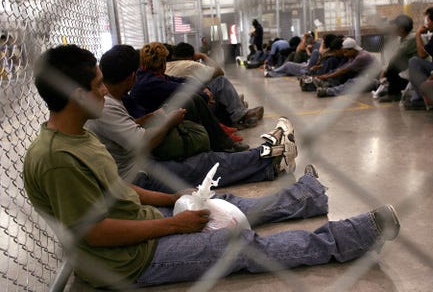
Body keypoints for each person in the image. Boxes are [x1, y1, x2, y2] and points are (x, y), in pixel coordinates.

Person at [24, 44, 400, 289]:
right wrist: (175, 223)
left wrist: (174, 198)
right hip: (126, 260)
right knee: (240, 246)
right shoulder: (57, 159)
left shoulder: (81, 135)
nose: (105, 91)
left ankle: (305, 196)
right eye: (97, 85)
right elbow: (96, 233)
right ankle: (354, 235)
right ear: (76, 96)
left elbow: (118, 189)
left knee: (222, 202)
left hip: (140, 221)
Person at [86, 44, 297, 192]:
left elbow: (127, 127)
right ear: (132, 75)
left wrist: (153, 116)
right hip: (139, 176)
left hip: (139, 163)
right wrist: (170, 120)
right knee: (205, 164)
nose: (101, 89)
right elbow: (143, 142)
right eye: (98, 83)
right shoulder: (107, 105)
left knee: (202, 159)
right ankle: (271, 160)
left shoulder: (113, 99)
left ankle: (260, 156)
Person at [128, 42, 248, 152]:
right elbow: (181, 87)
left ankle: (223, 141)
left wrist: (202, 89)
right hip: (155, 125)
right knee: (195, 96)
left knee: (194, 97)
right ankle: (226, 137)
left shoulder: (148, 74)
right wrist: (205, 94)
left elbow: (179, 80)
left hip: (157, 117)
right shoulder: (150, 81)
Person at [166, 42, 264, 129]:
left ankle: (239, 105)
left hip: (174, 108)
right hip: (195, 106)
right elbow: (220, 72)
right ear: (191, 56)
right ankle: (240, 114)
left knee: (206, 85)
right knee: (220, 81)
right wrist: (203, 56)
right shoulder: (190, 64)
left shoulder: (166, 66)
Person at [406, 5, 433, 110]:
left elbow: (422, 54)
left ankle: (422, 98)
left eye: (428, 20)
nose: (426, 24)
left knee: (414, 62)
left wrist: (418, 35)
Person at [315, 38, 380, 97]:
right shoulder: (353, 55)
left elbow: (344, 70)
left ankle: (328, 91)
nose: (345, 54)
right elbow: (343, 68)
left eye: (346, 52)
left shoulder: (361, 57)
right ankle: (328, 84)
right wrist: (327, 75)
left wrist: (326, 77)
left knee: (353, 83)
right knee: (339, 71)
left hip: (373, 80)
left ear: (353, 49)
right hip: (363, 76)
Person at [377, 15, 418, 102]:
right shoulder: (402, 38)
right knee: (389, 67)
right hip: (408, 66)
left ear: (402, 29)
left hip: (417, 67)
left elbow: (396, 55)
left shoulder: (411, 38)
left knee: (393, 64)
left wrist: (384, 70)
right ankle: (391, 89)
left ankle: (393, 94)